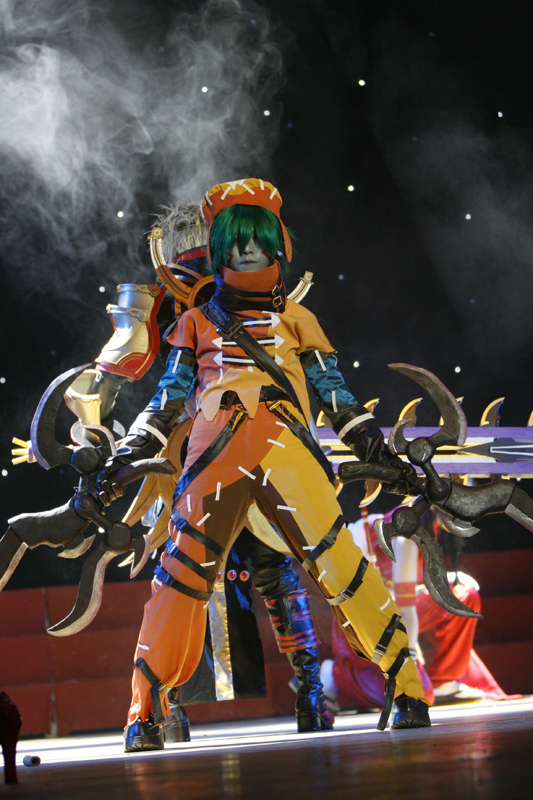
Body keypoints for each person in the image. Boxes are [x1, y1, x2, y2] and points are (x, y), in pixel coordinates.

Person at [97, 178, 430, 752]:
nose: (247, 250)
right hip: (213, 456)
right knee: (179, 578)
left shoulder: (298, 319)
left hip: (285, 450)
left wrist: (374, 449)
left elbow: (335, 394)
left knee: (341, 566)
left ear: (278, 245)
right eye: (235, 240)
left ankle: (406, 690)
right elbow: (167, 397)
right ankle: (145, 711)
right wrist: (131, 448)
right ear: (219, 248)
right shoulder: (194, 323)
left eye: (257, 239)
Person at [66, 203, 333, 737]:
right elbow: (102, 380)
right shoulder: (162, 303)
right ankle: (179, 706)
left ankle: (293, 696)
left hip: (247, 441)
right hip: (194, 451)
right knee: (208, 575)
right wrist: (94, 432)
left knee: (249, 569)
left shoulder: (255, 296)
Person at [320, 507, 519, 712]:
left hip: (393, 613)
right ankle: (334, 677)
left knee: (464, 593)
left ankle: (444, 682)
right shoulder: (407, 532)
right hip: (365, 623)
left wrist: (448, 579)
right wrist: (409, 661)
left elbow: (404, 587)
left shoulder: (429, 524)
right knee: (418, 694)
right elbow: (403, 608)